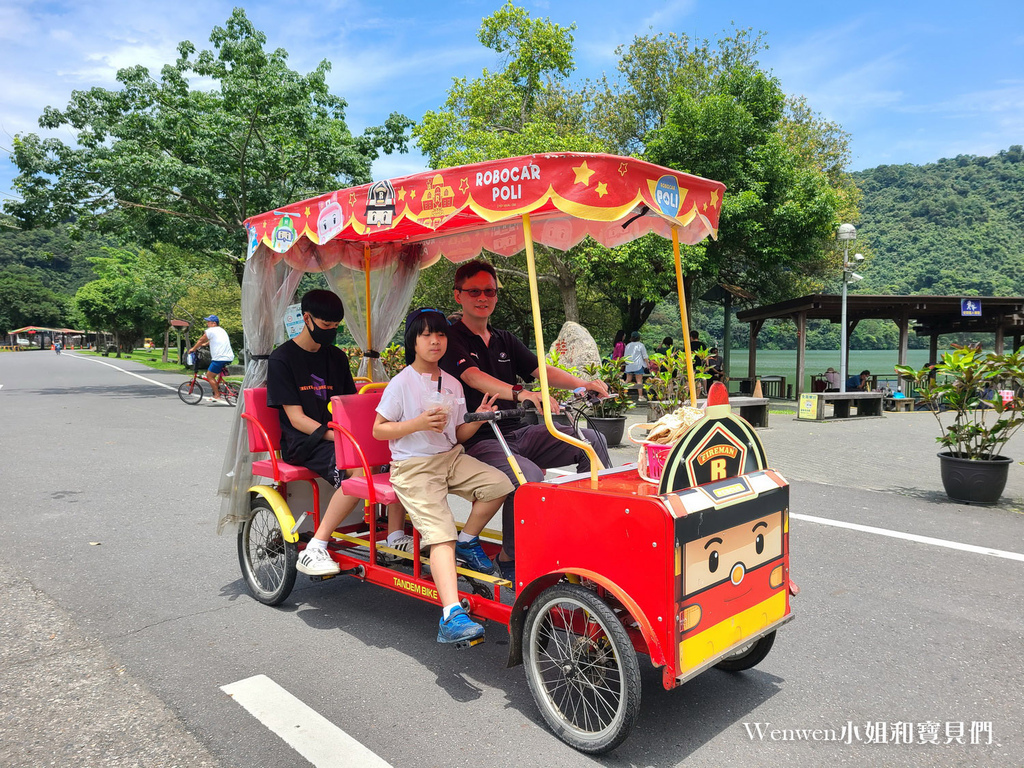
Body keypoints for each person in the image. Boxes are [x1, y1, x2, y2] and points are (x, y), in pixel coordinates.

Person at [439, 260, 612, 583]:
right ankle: (511, 556)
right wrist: (522, 394)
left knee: (592, 441)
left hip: (519, 431)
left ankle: (594, 527)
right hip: (479, 437)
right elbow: (473, 378)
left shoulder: (504, 338)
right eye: (474, 291)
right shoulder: (451, 339)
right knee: (527, 477)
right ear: (458, 295)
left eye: (489, 291)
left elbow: (540, 370)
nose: (483, 297)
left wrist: (582, 384)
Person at [373, 308, 514, 644]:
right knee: (440, 532)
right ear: (414, 341)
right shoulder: (401, 383)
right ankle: (451, 614)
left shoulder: (450, 383)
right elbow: (379, 430)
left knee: (501, 484)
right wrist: (418, 423)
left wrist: (480, 417)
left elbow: (459, 435)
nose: (434, 341)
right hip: (414, 466)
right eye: (425, 335)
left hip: (450, 457)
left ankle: (468, 542)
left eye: (439, 334)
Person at [267, 290, 405, 576]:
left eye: (335, 327)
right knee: (356, 472)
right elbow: (296, 418)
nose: (331, 332)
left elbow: (348, 406)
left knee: (401, 458)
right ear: (307, 319)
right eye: (326, 326)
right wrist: (340, 438)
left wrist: (363, 437)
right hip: (304, 442)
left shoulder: (337, 357)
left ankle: (394, 539)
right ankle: (316, 545)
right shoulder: (282, 359)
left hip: (339, 435)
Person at [187, 315, 234, 403]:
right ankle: (219, 388)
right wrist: (206, 344)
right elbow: (216, 340)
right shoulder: (221, 330)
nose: (207, 323)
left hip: (219, 358)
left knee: (209, 376)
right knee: (214, 374)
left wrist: (193, 349)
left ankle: (217, 395)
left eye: (208, 322)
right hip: (228, 356)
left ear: (214, 323)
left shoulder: (211, 330)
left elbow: (201, 340)